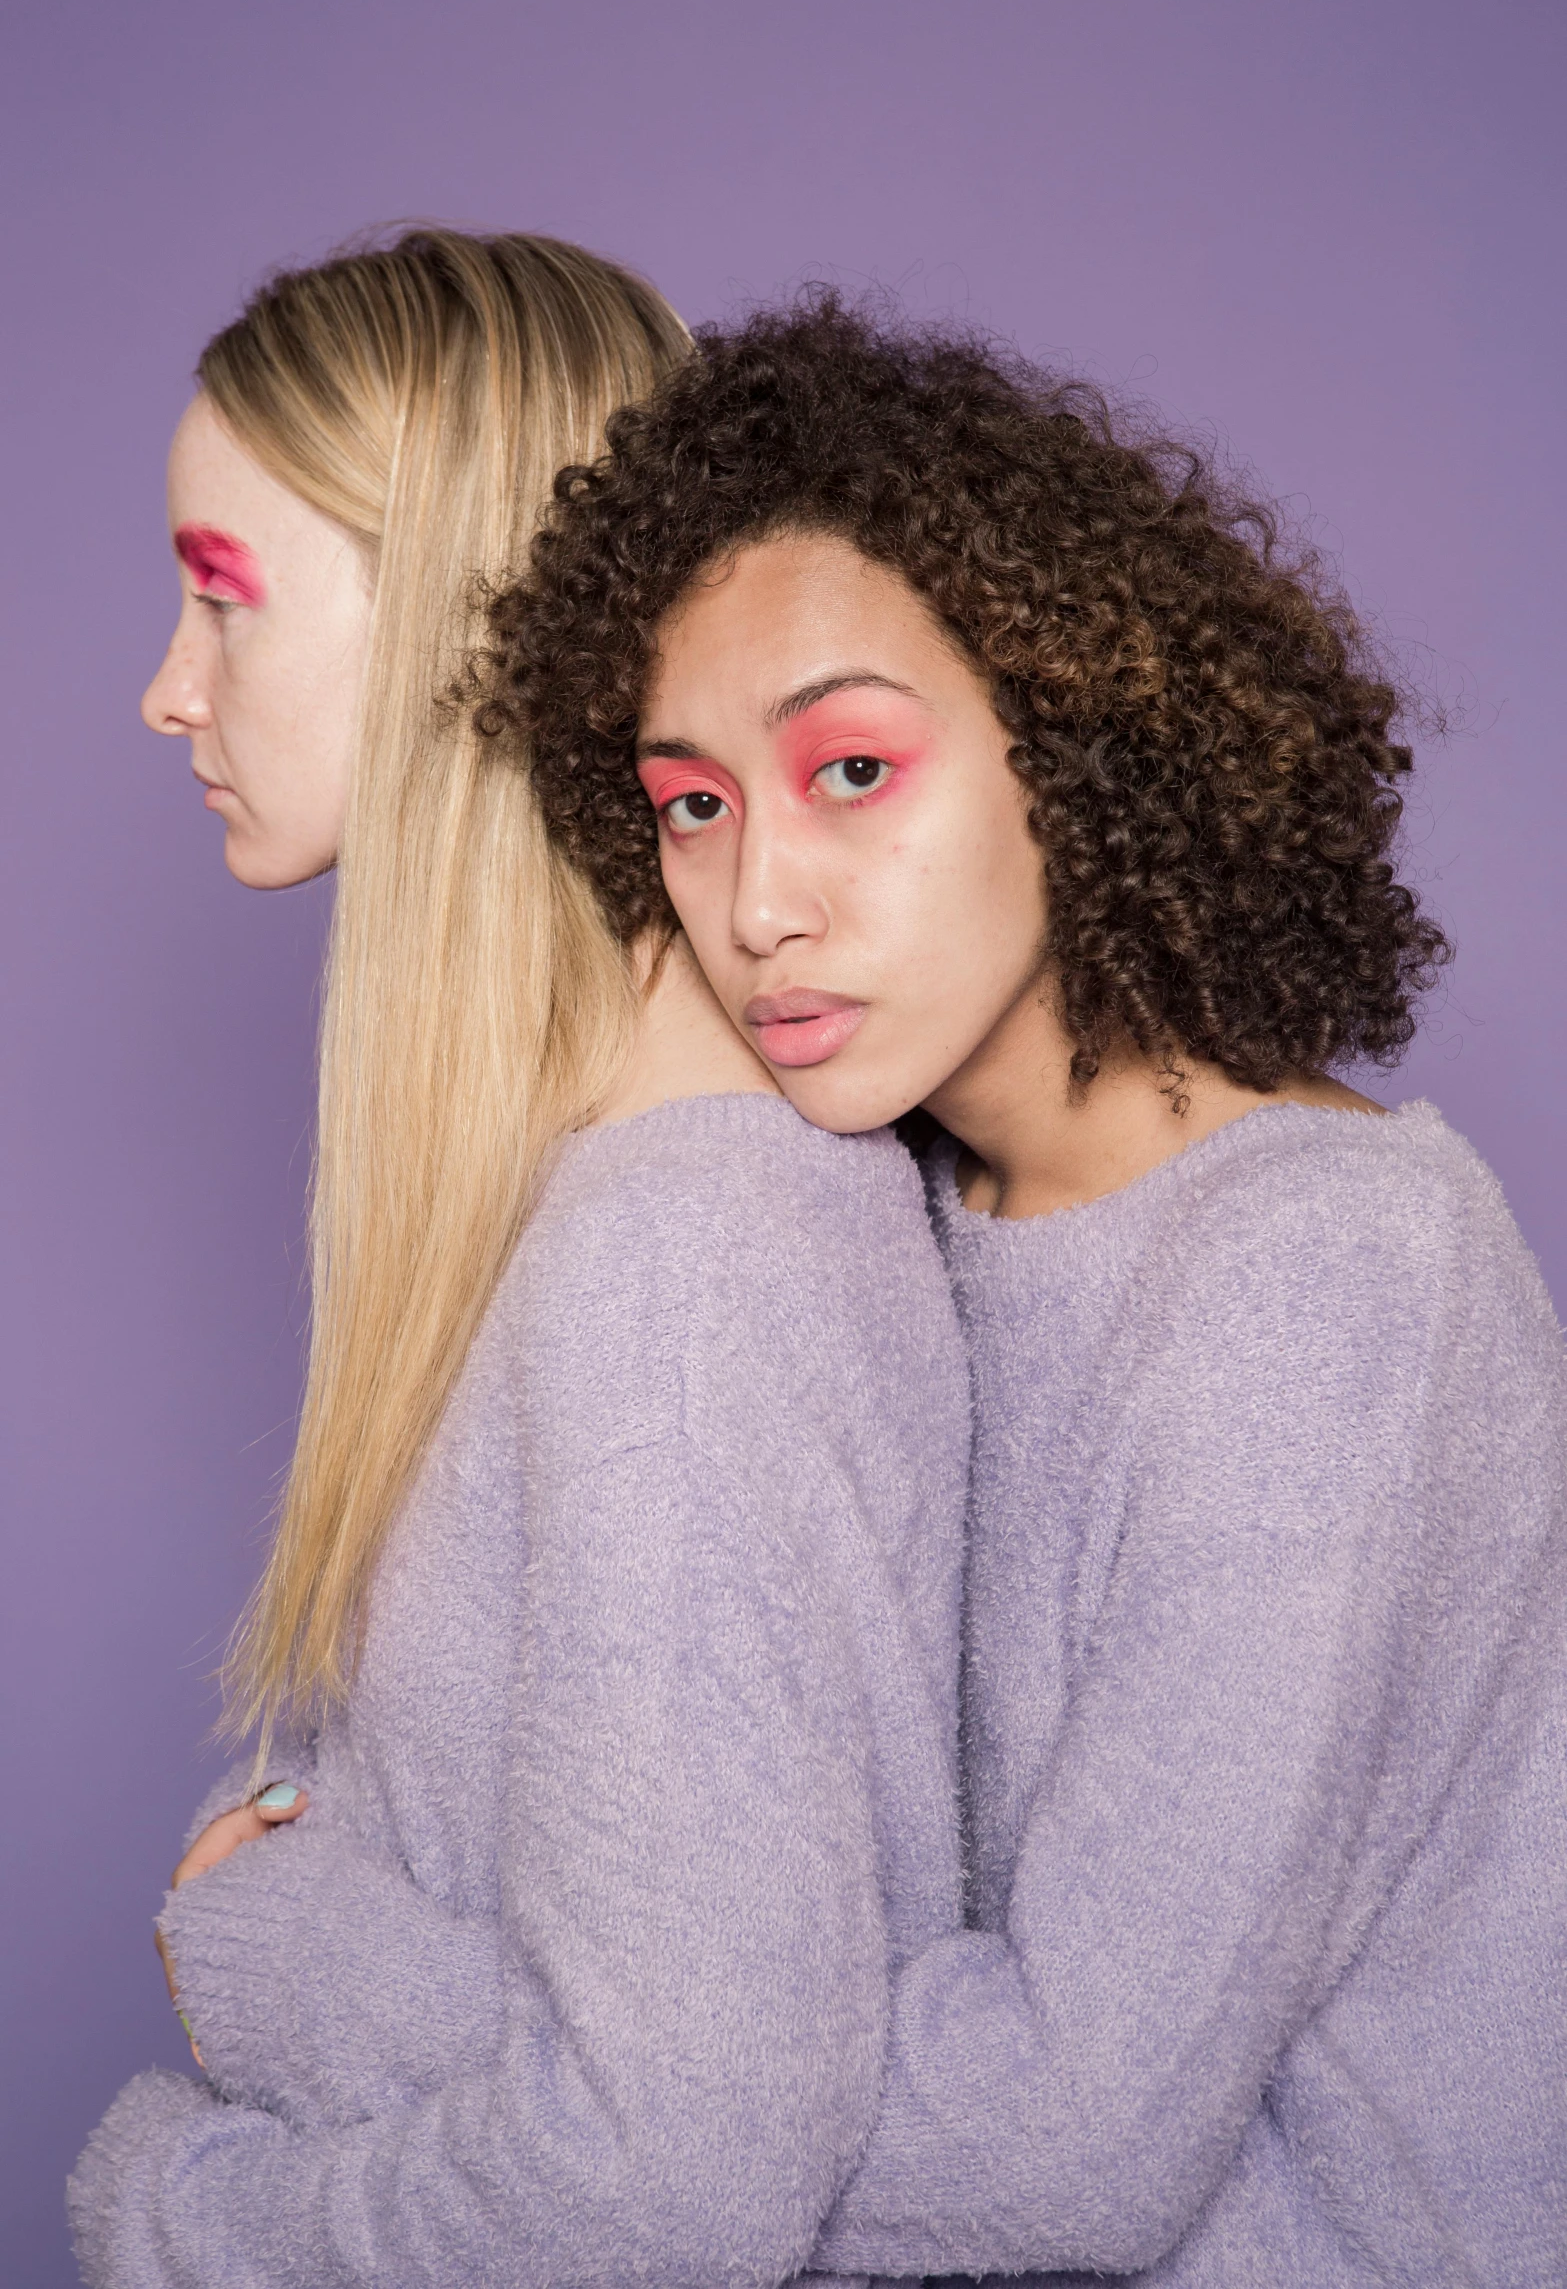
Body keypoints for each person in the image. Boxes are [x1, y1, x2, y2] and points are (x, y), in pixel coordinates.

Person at [487, 293, 1567, 2286]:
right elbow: (624, 1803)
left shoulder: (1327, 1268)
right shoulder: (867, 1210)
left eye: (853, 772)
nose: (755, 903)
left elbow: (1069, 2132)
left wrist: (486, 2052)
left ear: (1077, 747)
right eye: (692, 803)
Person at [69, 240, 969, 2289]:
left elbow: (671, 2179)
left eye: (223, 587)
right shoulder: (591, 1207)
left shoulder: (681, 1274)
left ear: (451, 617)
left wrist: (168, 2206)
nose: (168, 681)